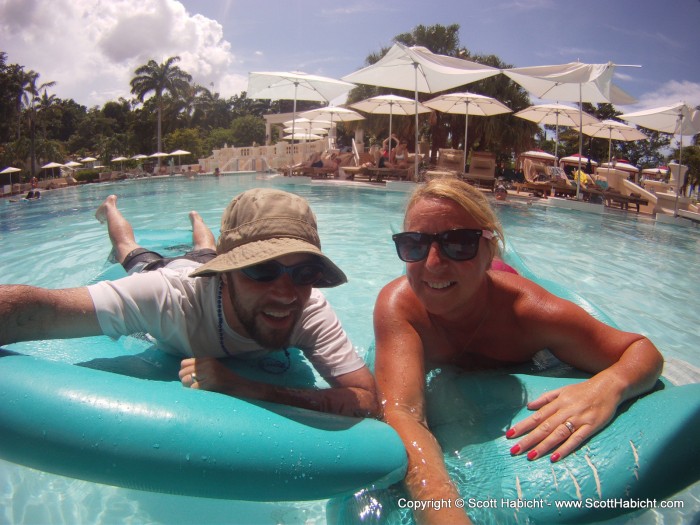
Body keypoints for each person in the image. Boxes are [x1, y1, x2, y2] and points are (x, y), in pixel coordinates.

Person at [373, 178, 663, 524]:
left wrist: (609, 386)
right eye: (415, 244)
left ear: (488, 249)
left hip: (498, 288)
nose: (433, 263)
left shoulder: (531, 313)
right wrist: (442, 509)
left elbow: (642, 350)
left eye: (459, 243)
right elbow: (403, 412)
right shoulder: (399, 307)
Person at [0, 189, 378, 418]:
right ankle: (111, 209)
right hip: (170, 269)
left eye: (305, 272)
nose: (286, 292)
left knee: (204, 248)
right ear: (227, 273)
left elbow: (365, 398)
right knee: (130, 251)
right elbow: (40, 309)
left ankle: (198, 220)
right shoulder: (166, 296)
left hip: (209, 261)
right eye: (261, 270)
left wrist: (248, 387)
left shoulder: (310, 309)